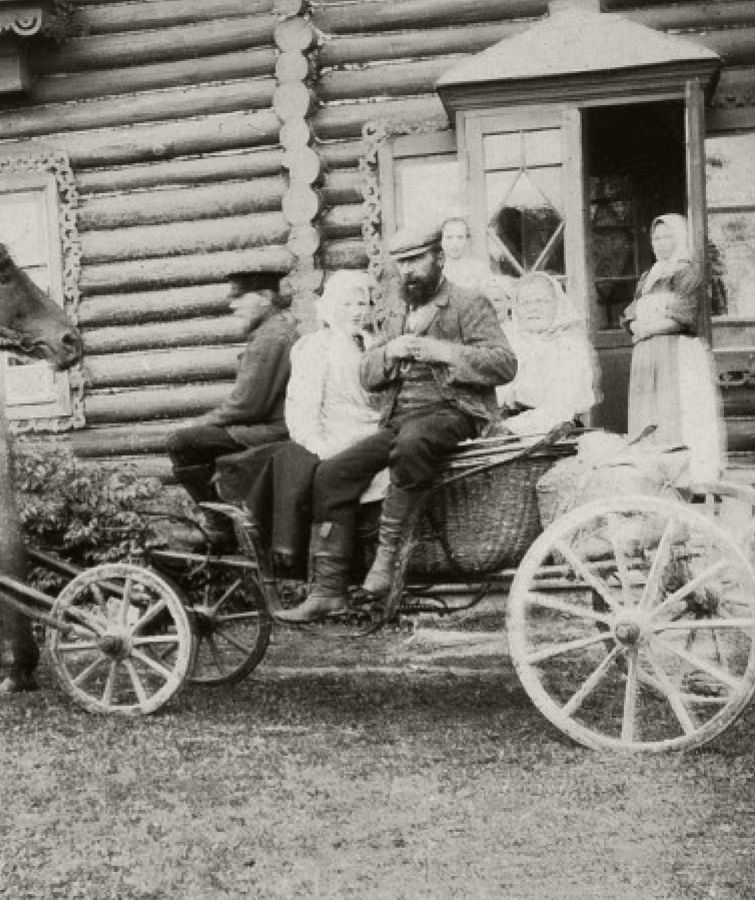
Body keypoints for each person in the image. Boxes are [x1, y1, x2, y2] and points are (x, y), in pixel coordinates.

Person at [278, 221, 516, 622]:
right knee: (333, 474)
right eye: (401, 263)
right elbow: (366, 374)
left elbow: (504, 363)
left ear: (439, 259)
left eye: (416, 261)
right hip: (399, 419)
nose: (408, 271)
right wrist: (389, 354)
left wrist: (439, 351)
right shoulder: (394, 313)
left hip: (455, 413)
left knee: (413, 443)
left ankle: (385, 562)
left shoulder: (468, 304)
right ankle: (329, 591)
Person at [215, 269, 387, 571]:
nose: (357, 313)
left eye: (362, 304)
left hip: (372, 439)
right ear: (332, 305)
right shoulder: (317, 347)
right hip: (335, 441)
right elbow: (301, 415)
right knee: (338, 482)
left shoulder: (371, 345)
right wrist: (320, 451)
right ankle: (334, 578)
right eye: (347, 305)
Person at [165, 271, 299, 546]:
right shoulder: (274, 331)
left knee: (182, 443)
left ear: (265, 298)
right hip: (269, 428)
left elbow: (248, 406)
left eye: (239, 297)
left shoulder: (271, 337)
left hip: (272, 432)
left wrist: (199, 423)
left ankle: (220, 528)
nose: (232, 305)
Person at [623, 213, 726, 483]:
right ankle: (653, 482)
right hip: (647, 356)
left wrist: (648, 328)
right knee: (650, 416)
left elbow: (686, 315)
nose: (660, 243)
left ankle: (686, 480)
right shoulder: (649, 276)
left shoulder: (688, 273)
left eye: (667, 236)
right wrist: (636, 326)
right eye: (656, 238)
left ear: (680, 238)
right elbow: (631, 312)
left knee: (677, 413)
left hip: (677, 354)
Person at [497, 272, 600, 436]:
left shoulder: (569, 346)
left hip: (555, 431)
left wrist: (512, 428)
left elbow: (563, 406)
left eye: (541, 301)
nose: (533, 308)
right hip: (507, 430)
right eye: (525, 303)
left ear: (557, 305)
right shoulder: (509, 344)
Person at [441, 214, 514, 320]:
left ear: (467, 239)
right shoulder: (436, 271)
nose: (455, 243)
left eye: (460, 237)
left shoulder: (480, 270)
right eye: (449, 237)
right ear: (441, 241)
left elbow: (492, 301)